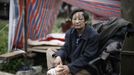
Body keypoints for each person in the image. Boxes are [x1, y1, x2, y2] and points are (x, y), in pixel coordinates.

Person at [46, 9, 99, 75]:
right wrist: (59, 56)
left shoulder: (93, 35)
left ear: (85, 21)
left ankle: (57, 71)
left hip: (84, 67)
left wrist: (69, 68)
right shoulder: (70, 33)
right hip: (70, 62)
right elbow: (66, 48)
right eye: (74, 19)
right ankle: (56, 70)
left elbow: (87, 58)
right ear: (71, 21)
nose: (77, 21)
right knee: (50, 51)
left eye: (80, 19)